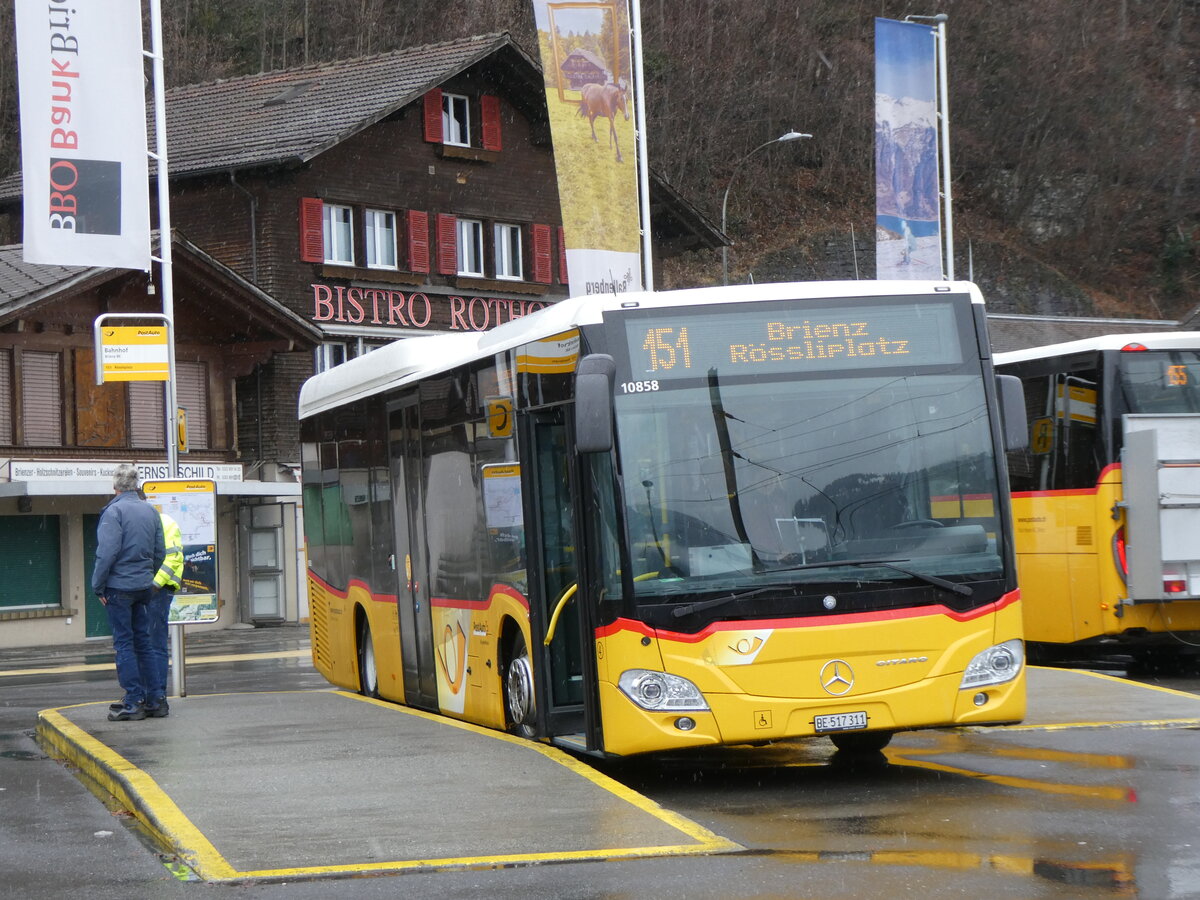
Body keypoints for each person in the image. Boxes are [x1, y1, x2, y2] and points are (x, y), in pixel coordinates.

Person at [92, 464, 165, 722]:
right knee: (144, 643)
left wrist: (98, 586)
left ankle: (133, 701)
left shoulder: (114, 512)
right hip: (143, 587)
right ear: (136, 485)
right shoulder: (150, 511)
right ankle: (156, 699)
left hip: (119, 588)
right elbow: (160, 552)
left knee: (124, 644)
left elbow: (107, 553)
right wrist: (148, 577)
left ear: (115, 487)